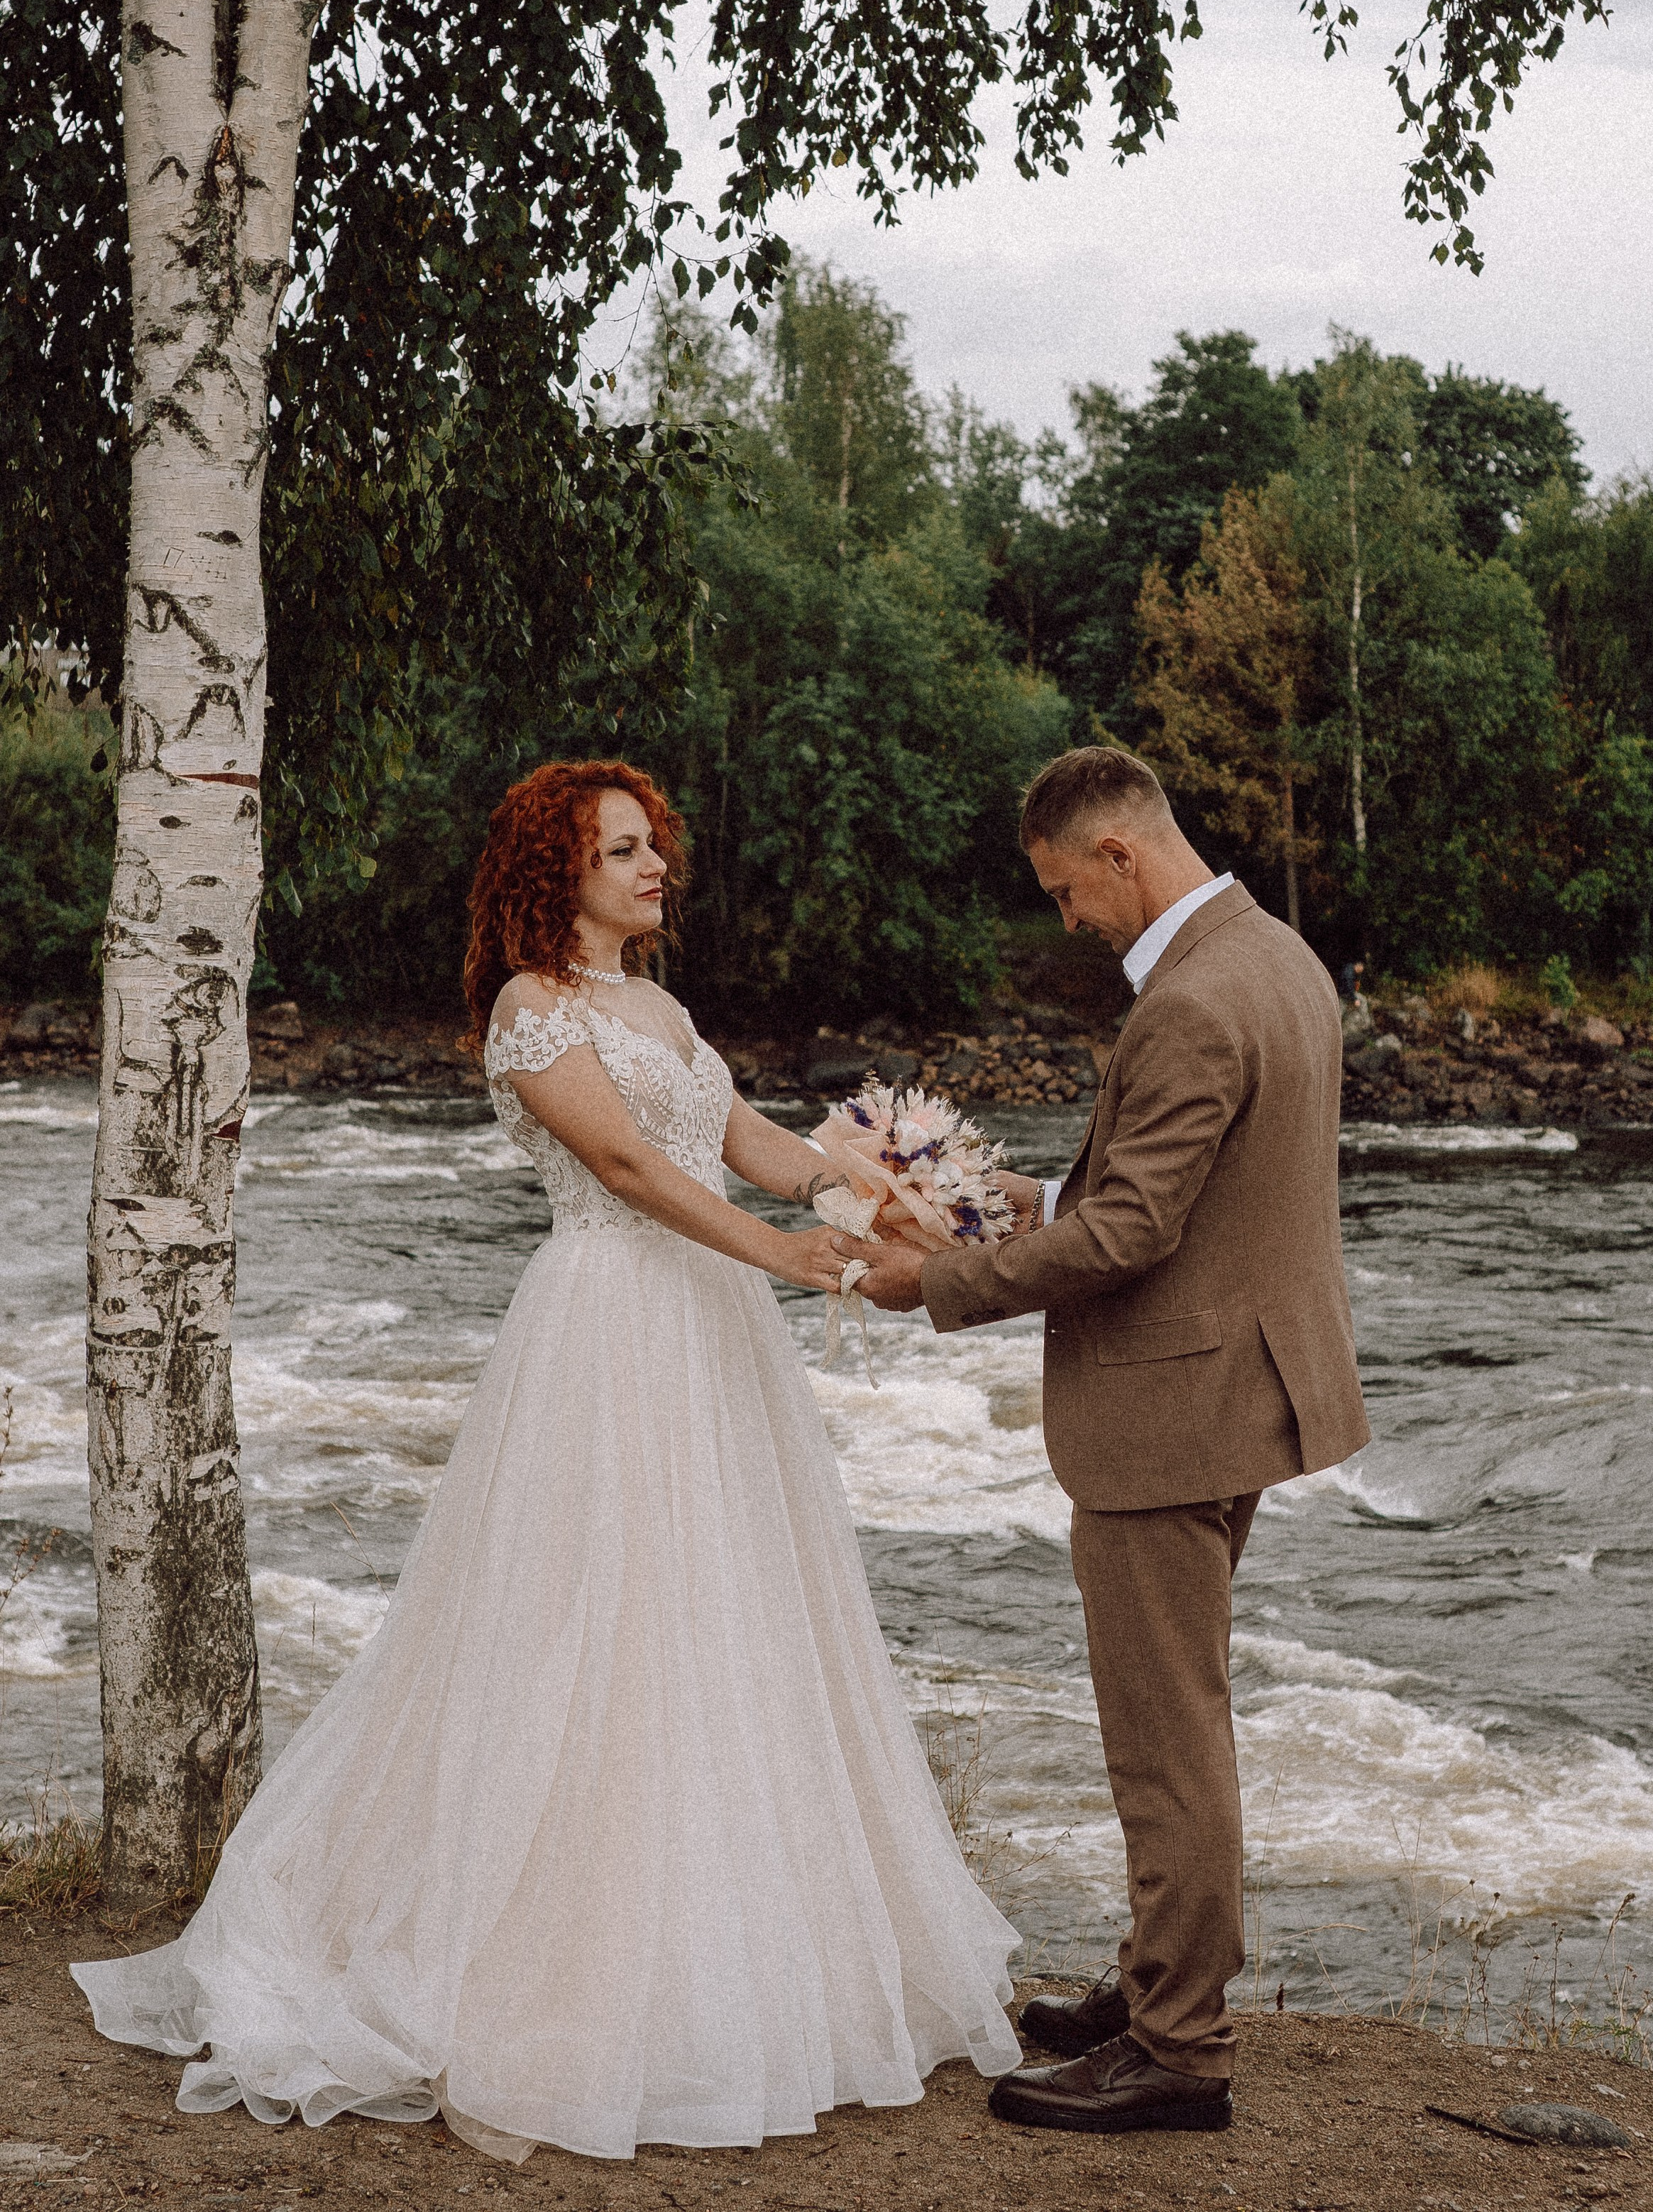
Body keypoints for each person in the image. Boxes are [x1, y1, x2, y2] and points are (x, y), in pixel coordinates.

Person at [74, 759, 1021, 2162]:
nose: (654, 867)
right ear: (555, 872)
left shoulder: (663, 1005)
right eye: (623, 849)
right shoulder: (533, 1009)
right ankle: (545, 1960)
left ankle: (744, 1955)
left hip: (710, 1335)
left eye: (654, 846)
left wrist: (871, 1193)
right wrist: (782, 1252)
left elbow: (737, 1133)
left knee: (726, 1616)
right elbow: (633, 1169)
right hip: (610, 1325)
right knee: (589, 1622)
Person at [857, 745, 1369, 2139]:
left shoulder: (1193, 998)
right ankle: (1155, 1987)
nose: (1064, 917)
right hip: (1243, 1389)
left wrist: (939, 1280)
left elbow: (1134, 1230)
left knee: (1166, 1740)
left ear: (1118, 855)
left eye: (1062, 888)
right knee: (1179, 1715)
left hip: (1171, 1409)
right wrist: (984, 1196)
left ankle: (1178, 2050)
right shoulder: (1278, 958)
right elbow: (1151, 1192)